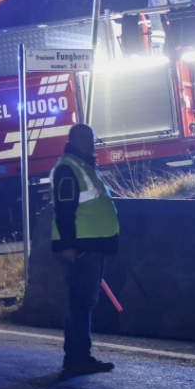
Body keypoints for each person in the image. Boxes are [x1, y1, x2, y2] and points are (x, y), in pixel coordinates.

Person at [51, 124, 120, 374]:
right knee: (81, 303)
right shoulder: (69, 168)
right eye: (85, 138)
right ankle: (76, 358)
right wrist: (69, 245)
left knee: (83, 303)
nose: (91, 143)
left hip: (91, 246)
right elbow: (64, 209)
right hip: (81, 248)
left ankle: (80, 356)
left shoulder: (83, 165)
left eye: (92, 138)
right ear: (73, 140)